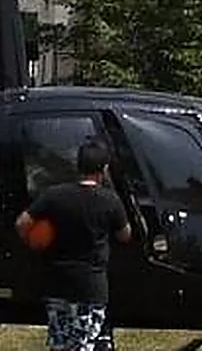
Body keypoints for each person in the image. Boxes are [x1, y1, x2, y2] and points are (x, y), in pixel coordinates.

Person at [15, 139, 132, 351]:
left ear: (78, 166)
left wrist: (35, 243)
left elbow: (22, 223)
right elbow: (125, 235)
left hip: (57, 284)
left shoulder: (54, 195)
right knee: (83, 344)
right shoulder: (110, 200)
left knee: (60, 344)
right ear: (104, 169)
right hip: (90, 287)